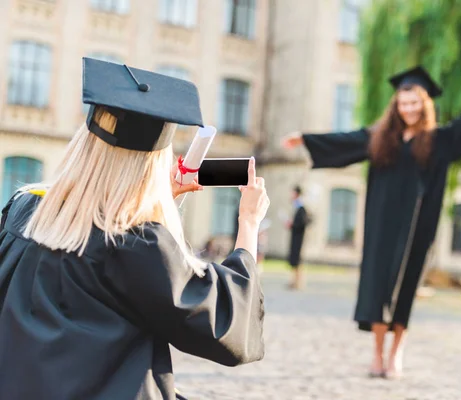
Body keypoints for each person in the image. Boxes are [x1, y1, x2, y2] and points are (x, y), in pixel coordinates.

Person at [0, 58, 269, 399]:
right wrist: (248, 223)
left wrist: (161, 200)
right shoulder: (135, 243)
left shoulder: (24, 211)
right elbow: (223, 322)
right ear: (152, 166)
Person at [282, 65, 461, 378]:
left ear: (425, 104)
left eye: (415, 103)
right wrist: (305, 139)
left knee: (406, 287)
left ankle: (395, 353)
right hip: (381, 226)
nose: (409, 109)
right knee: (376, 289)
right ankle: (376, 355)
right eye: (403, 103)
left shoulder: (440, 141)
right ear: (396, 106)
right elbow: (346, 141)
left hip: (418, 227)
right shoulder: (379, 138)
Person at [286, 185, 310, 289]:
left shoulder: (301, 208)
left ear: (296, 194)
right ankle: (294, 281)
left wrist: (293, 224)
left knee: (297, 260)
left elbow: (302, 223)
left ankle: (298, 283)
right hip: (295, 237)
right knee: (294, 260)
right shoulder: (297, 207)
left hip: (298, 238)